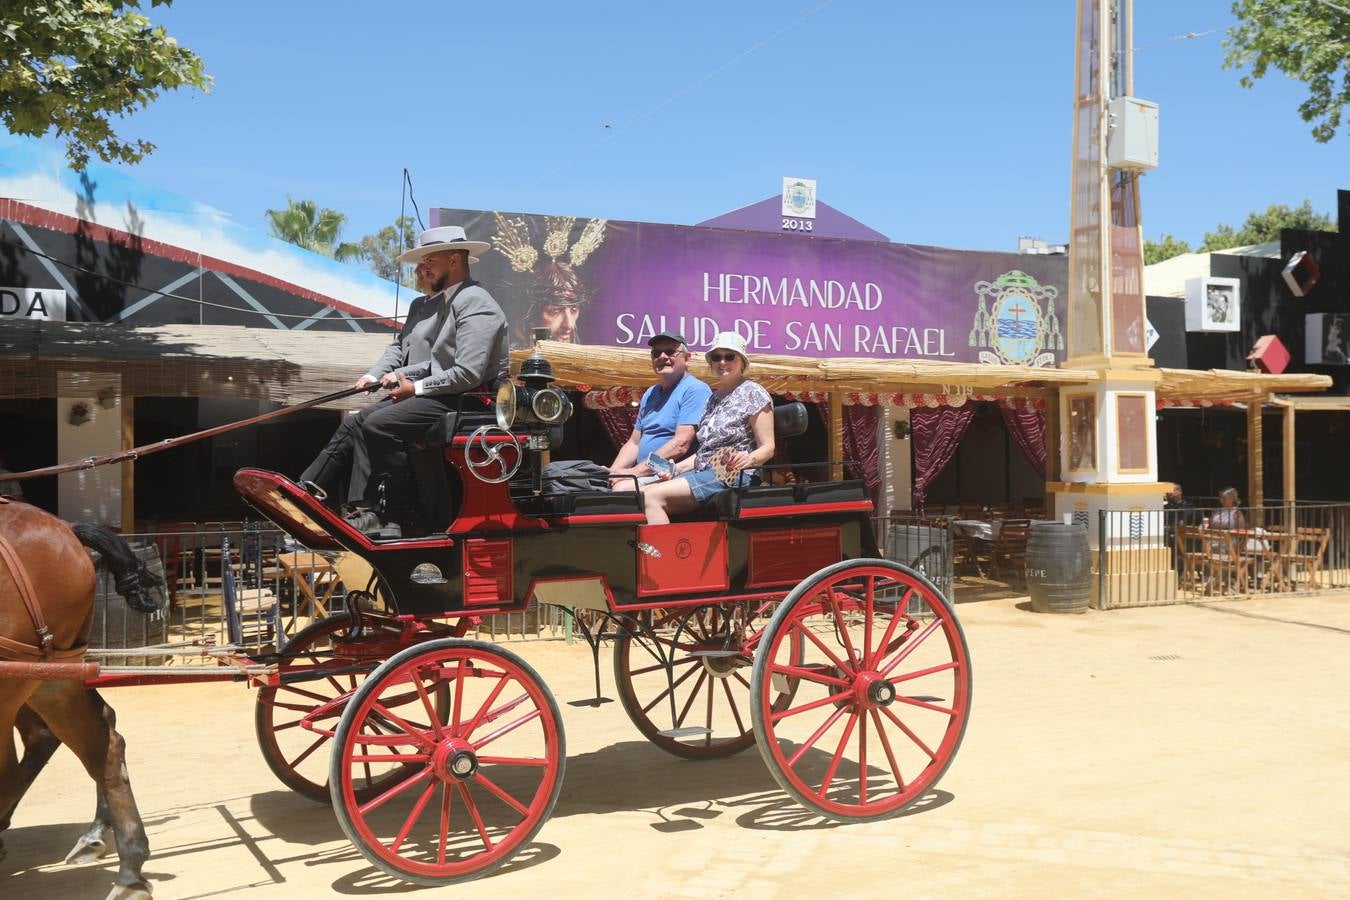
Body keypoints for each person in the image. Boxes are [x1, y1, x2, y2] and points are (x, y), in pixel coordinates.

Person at [299, 226, 509, 536]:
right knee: (361, 420)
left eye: (429, 261)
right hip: (442, 392)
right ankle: (322, 492)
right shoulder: (443, 302)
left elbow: (468, 373)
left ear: (453, 260)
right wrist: (390, 375)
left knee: (377, 423)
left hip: (469, 399)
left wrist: (414, 386)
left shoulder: (475, 301)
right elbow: (425, 358)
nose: (422, 269)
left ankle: (396, 511)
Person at [640, 332, 774, 525]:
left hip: (732, 473)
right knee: (638, 491)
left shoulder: (753, 393)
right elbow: (705, 452)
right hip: (704, 471)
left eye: (729, 356)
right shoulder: (713, 399)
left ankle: (665, 554)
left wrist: (749, 458)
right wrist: (674, 469)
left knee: (650, 497)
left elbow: (768, 448)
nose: (722, 362)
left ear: (742, 361)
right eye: (716, 357)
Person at [607, 332, 711, 490]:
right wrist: (613, 473)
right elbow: (634, 443)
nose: (662, 356)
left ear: (687, 358)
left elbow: (680, 444)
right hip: (646, 474)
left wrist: (635, 472)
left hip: (674, 474)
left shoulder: (695, 389)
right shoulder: (650, 393)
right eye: (656, 353)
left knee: (621, 489)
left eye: (670, 352)